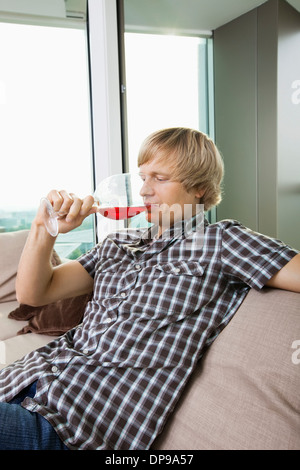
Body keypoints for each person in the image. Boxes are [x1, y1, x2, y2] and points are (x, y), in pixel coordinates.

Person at [0, 127, 299, 450]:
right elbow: (34, 294)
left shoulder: (221, 242)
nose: (144, 190)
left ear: (199, 186)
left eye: (159, 178)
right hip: (19, 381)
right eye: (143, 177)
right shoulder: (118, 243)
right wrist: (43, 227)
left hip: (69, 425)